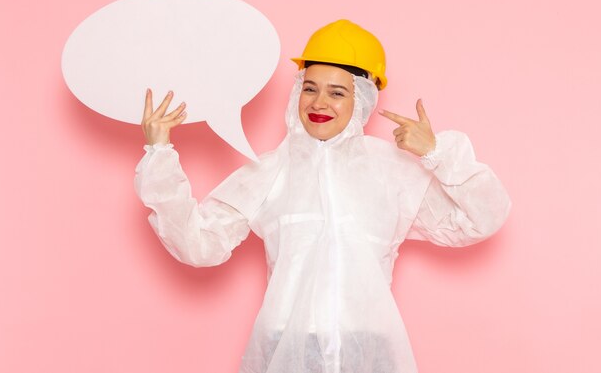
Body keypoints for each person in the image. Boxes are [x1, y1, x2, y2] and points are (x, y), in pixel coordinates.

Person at [134, 19, 512, 373]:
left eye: (337, 92)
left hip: (369, 350)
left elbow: (484, 218)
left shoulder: (392, 170)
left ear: (361, 99)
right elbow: (200, 245)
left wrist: (435, 153)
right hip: (286, 348)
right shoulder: (269, 170)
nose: (319, 103)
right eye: (309, 88)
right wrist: (159, 153)